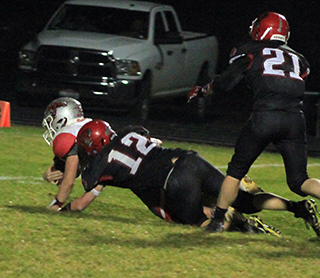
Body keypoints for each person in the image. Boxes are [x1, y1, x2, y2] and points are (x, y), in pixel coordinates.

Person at [58, 120, 319, 236]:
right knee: (244, 199)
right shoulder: (129, 132)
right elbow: (150, 140)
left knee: (200, 222)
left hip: (174, 179)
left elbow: (82, 201)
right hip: (190, 159)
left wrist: (63, 208)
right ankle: (297, 207)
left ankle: (243, 226)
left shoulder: (103, 164)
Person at [188, 12, 320, 235]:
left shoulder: (249, 50)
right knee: (299, 180)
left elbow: (227, 83)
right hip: (295, 119)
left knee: (236, 172)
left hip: (265, 117)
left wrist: (204, 90)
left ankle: (218, 221)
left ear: (261, 29)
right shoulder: (299, 58)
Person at [42, 97, 93, 211]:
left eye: (51, 120)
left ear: (62, 118)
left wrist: (57, 204)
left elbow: (69, 180)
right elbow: (67, 171)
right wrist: (49, 173)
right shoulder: (86, 125)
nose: (51, 126)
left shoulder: (69, 134)